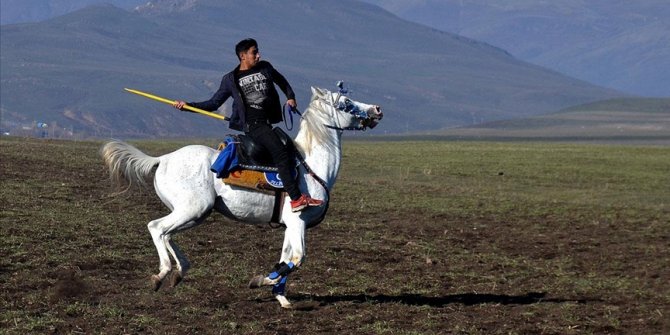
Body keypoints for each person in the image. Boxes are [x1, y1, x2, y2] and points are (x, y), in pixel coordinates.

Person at [174, 38, 323, 212]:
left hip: (267, 123)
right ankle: (297, 199)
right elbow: (213, 104)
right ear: (243, 56)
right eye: (254, 52)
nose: (258, 55)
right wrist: (187, 106)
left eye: (258, 51)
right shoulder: (230, 79)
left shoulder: (265, 67)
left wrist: (290, 97)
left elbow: (282, 81)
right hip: (253, 126)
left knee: (289, 149)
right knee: (280, 153)